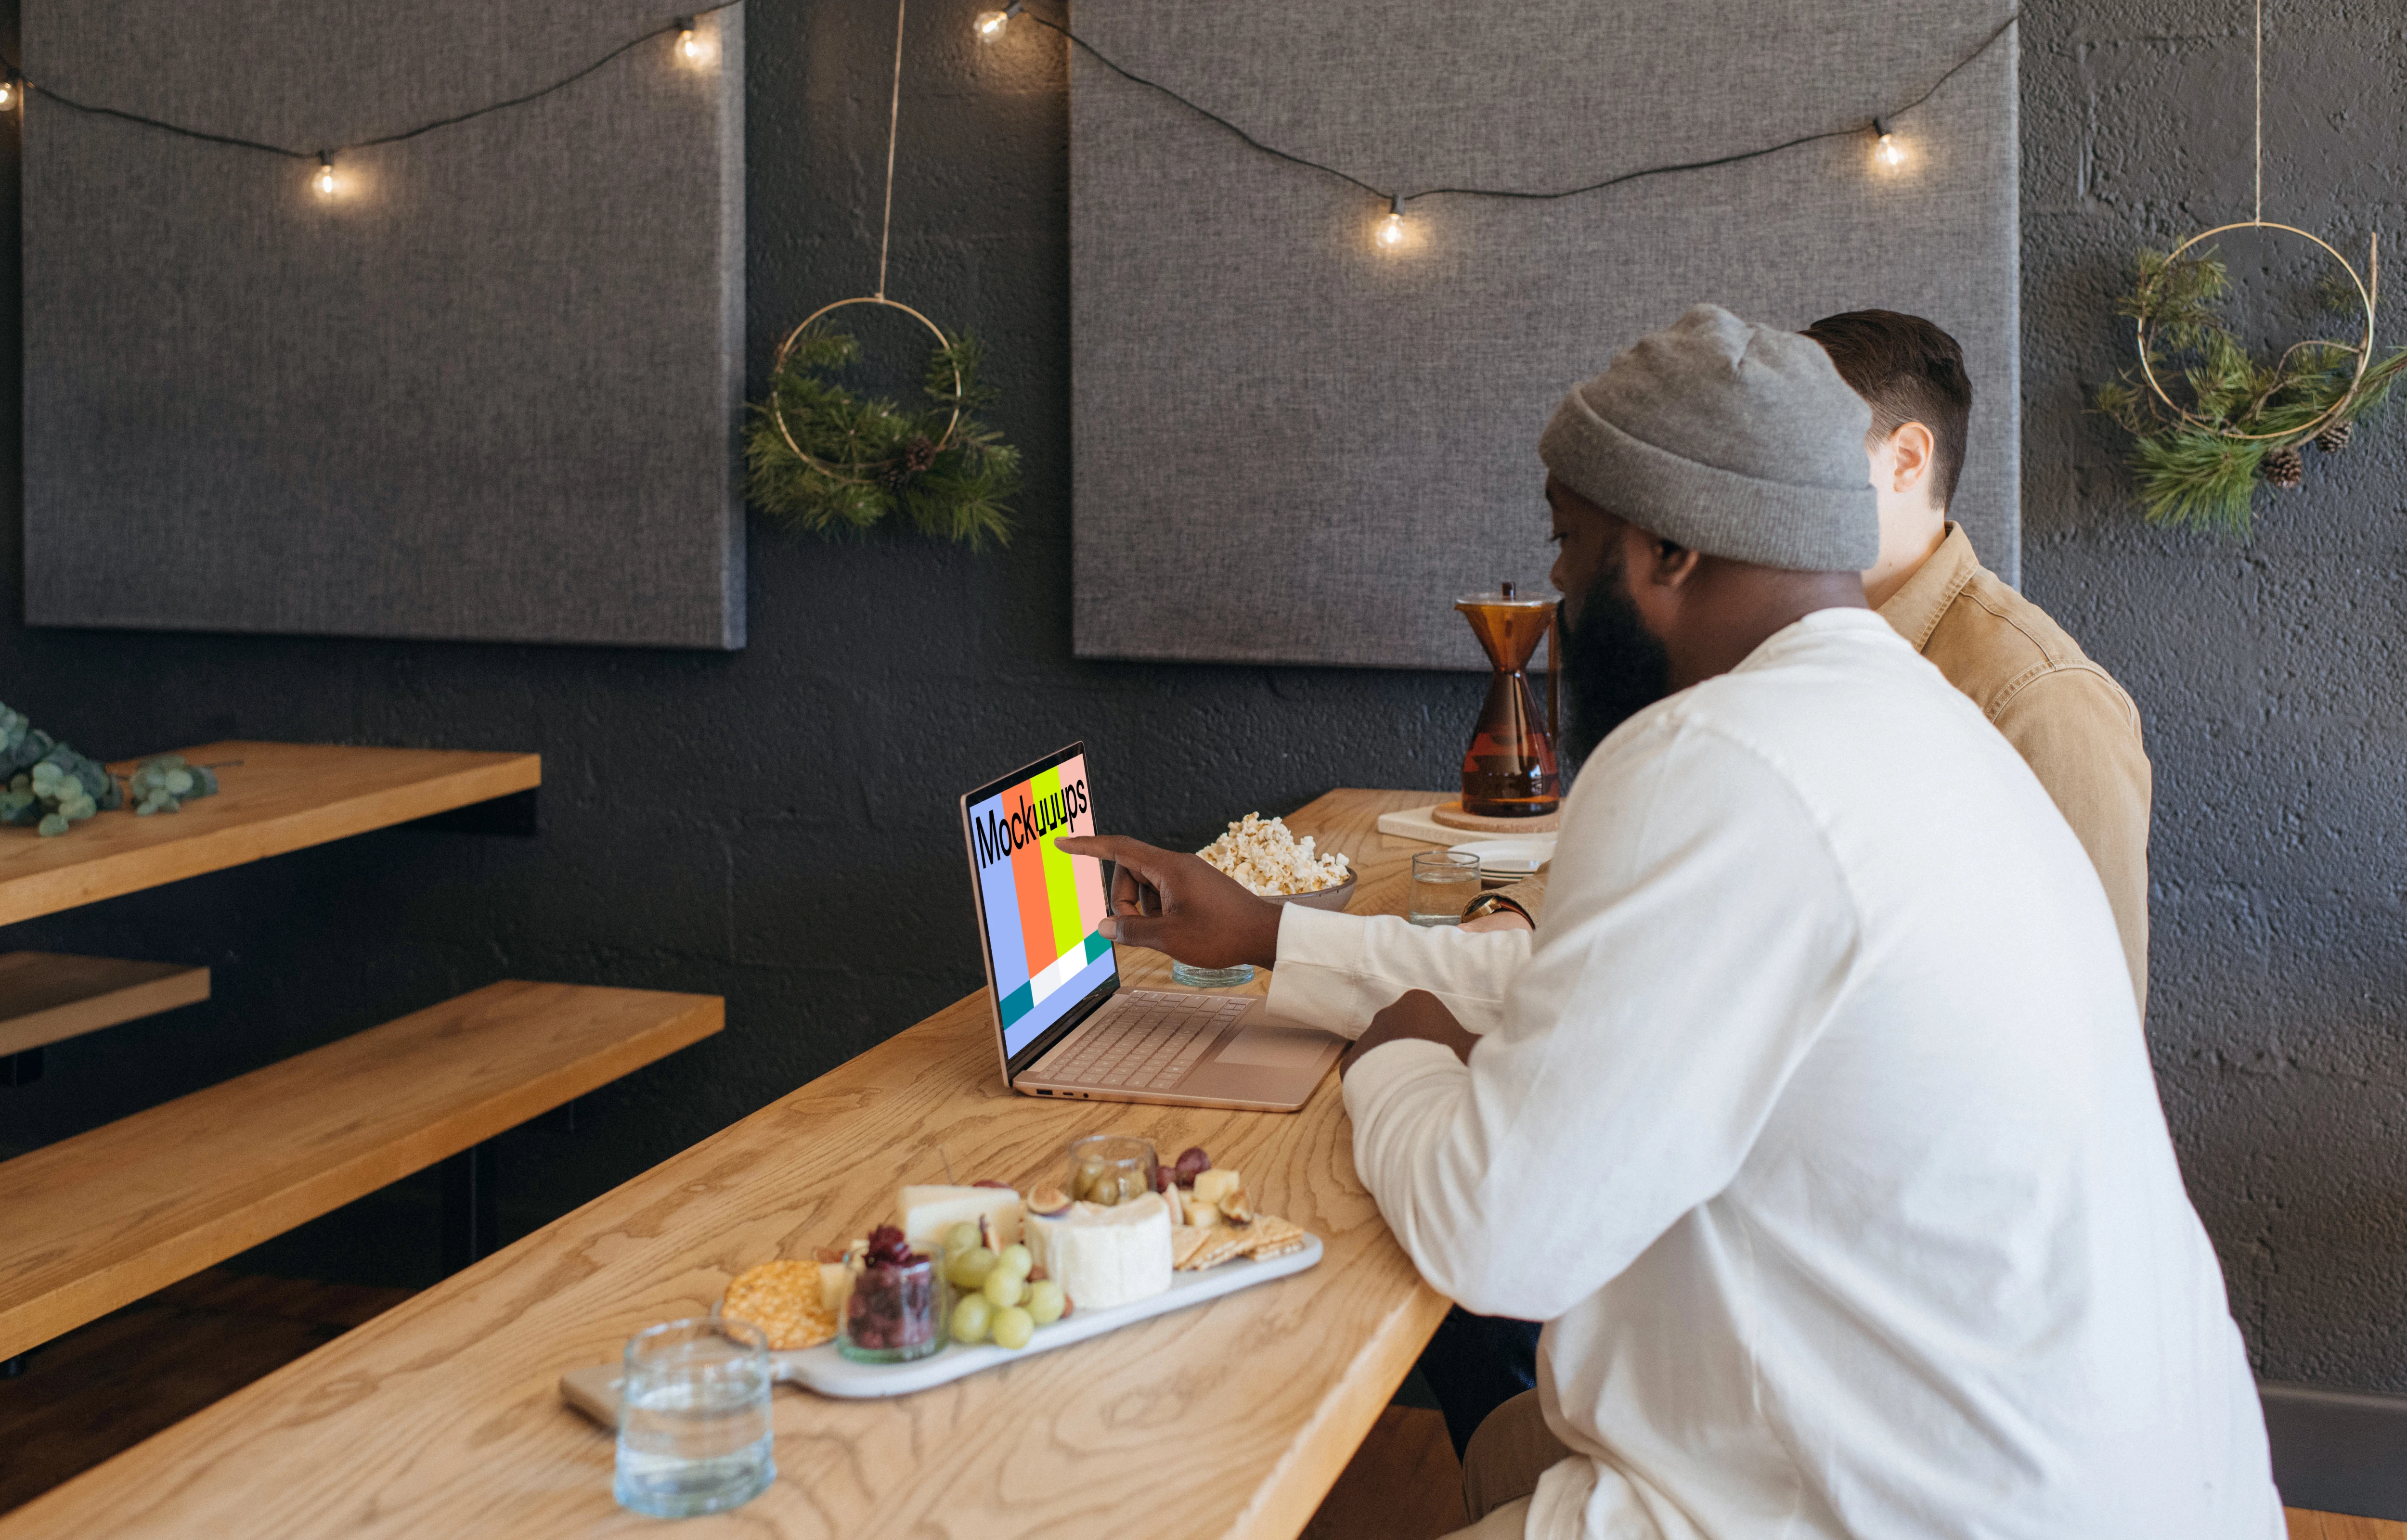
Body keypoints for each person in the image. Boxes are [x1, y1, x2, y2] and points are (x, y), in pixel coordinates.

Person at [1062, 306, 2278, 1540]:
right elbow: (1585, 988)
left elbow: (1497, 1237)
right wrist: (1275, 935)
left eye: (1567, 538)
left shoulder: (1712, 752)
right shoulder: (1923, 720)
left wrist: (1400, 1056)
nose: (1550, 583)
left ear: (1666, 553)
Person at [1480, 311, 2153, 1016]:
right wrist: (1520, 910)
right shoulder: (1746, 632)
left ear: (1906, 459)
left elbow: (2093, 1010)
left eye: (1809, 453)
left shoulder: (2042, 697)